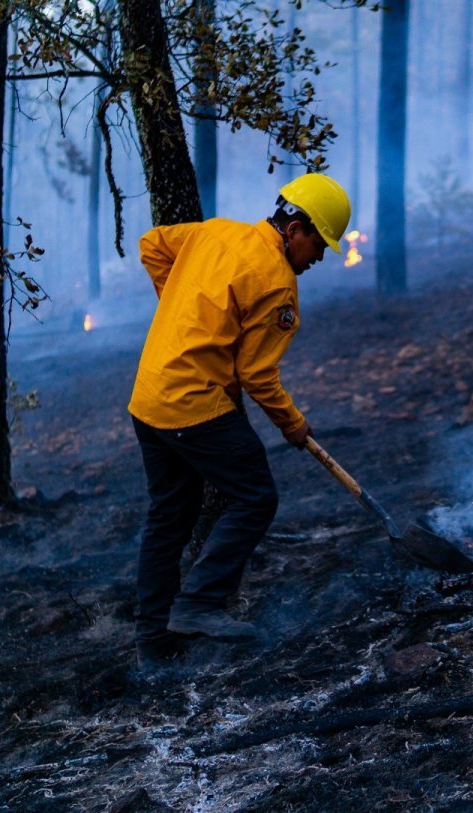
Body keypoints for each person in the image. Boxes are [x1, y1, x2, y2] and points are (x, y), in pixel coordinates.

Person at [127, 173, 351, 668]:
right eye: (318, 243)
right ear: (294, 227)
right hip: (192, 403)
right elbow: (256, 374)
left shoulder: (215, 231)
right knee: (255, 496)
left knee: (169, 517)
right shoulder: (278, 285)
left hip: (148, 397)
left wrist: (184, 310)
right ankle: (198, 604)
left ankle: (152, 645)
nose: (318, 257)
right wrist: (293, 425)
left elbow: (152, 245)